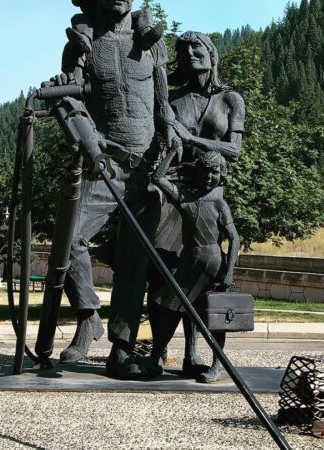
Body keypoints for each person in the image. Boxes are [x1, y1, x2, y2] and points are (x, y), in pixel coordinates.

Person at [52, 0, 180, 378]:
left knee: (134, 263)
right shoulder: (82, 43)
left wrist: (171, 134)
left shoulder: (152, 43)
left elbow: (163, 104)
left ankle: (121, 350)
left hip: (146, 167)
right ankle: (88, 316)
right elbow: (71, 103)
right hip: (105, 162)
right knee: (71, 238)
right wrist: (88, 145)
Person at [151, 30, 246, 379]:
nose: (191, 53)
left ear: (211, 53)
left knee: (201, 285)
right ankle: (159, 354)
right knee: (164, 278)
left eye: (198, 47)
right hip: (172, 193)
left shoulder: (231, 99)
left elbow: (234, 151)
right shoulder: (172, 101)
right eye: (184, 48)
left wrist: (190, 137)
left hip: (208, 193)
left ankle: (195, 355)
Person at [145, 149, 239, 383]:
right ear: (196, 173)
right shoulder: (185, 199)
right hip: (189, 262)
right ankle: (156, 356)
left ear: (222, 174)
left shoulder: (219, 203)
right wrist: (170, 154)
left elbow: (234, 238)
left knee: (214, 315)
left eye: (214, 172)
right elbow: (158, 178)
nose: (209, 177)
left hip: (213, 265)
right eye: (205, 172)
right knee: (170, 308)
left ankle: (218, 366)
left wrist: (229, 272)